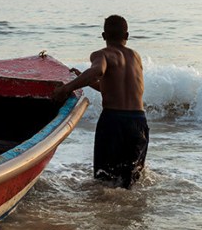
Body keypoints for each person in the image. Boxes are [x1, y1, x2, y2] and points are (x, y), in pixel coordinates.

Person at [53, 15, 148, 189]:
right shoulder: (136, 57)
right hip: (139, 121)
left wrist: (66, 88)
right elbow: (114, 87)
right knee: (131, 183)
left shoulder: (102, 54)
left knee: (105, 181)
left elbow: (97, 71)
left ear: (104, 36)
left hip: (114, 121)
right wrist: (85, 79)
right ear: (127, 36)